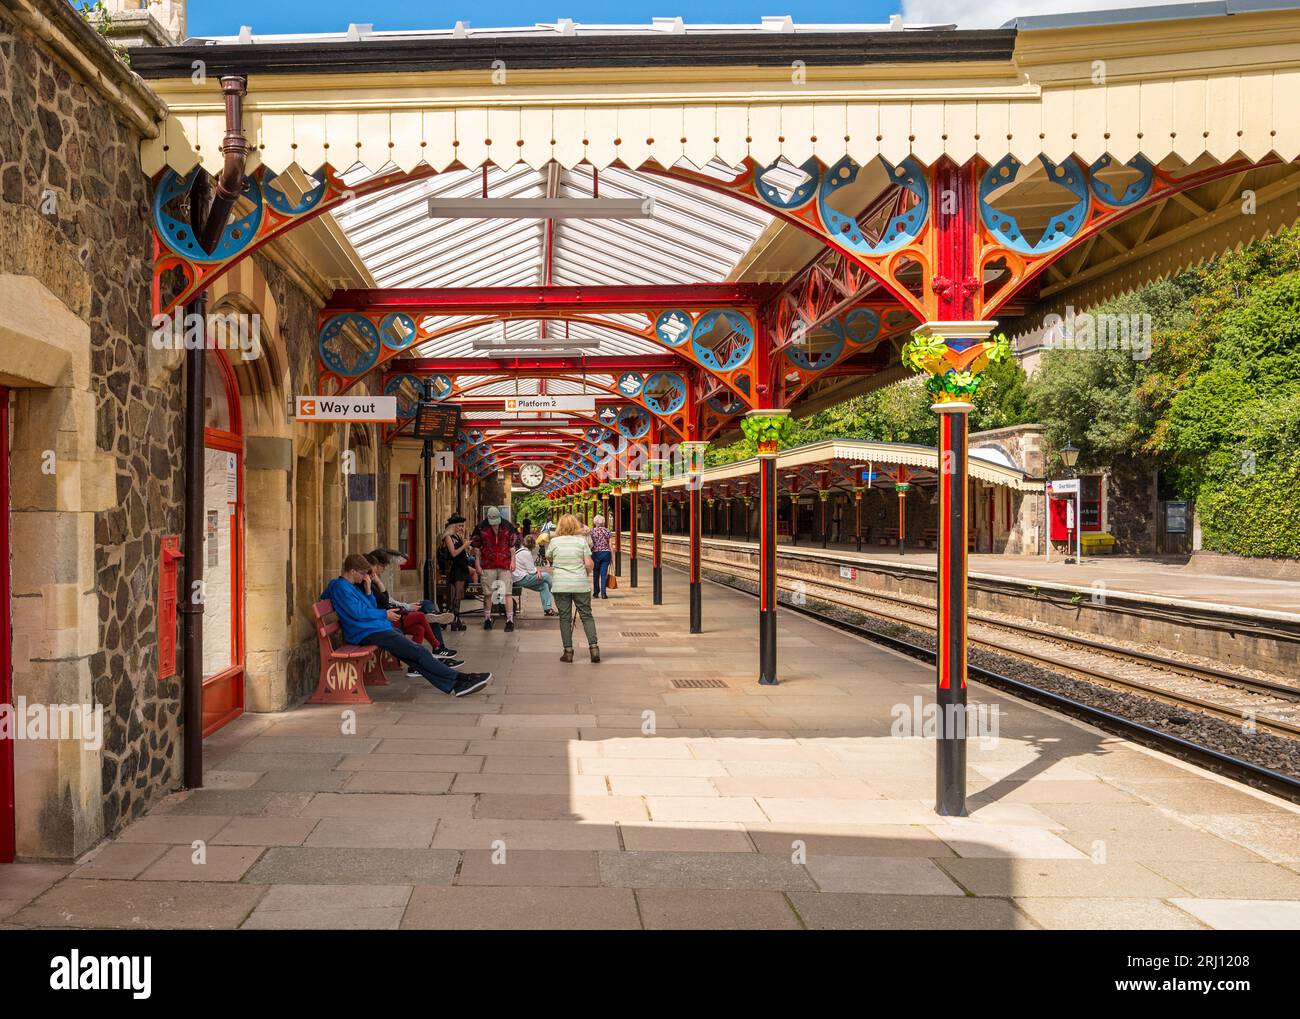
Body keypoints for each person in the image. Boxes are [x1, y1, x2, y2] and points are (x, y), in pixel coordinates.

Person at [323, 554, 491, 696]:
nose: (364, 577)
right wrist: (384, 614)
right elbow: (357, 612)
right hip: (365, 633)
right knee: (418, 652)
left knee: (415, 656)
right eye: (362, 574)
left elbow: (369, 607)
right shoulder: (341, 587)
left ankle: (456, 684)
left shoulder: (349, 586)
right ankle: (461, 680)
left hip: (375, 629)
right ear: (351, 571)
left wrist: (368, 591)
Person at [360, 555, 462, 666]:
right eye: (372, 572)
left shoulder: (372, 583)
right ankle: (437, 646)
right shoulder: (366, 585)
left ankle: (414, 665)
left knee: (420, 628)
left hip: (393, 613)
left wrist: (378, 582)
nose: (375, 574)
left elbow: (387, 600)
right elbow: (383, 603)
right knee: (421, 616)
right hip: (388, 618)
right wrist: (375, 585)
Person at [546, 514, 599, 663]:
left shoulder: (554, 542)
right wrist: (584, 573)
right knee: (587, 616)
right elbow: (589, 564)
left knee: (565, 618)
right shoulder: (581, 542)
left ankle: (568, 652)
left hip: (561, 585)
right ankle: (594, 649)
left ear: (560, 526)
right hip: (580, 584)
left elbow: (549, 558)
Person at [472, 505, 518, 632]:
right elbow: (476, 548)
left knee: (507, 592)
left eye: (496, 523)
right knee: (488, 593)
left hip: (505, 563)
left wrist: (513, 561)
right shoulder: (481, 527)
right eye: (492, 523)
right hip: (487, 564)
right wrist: (477, 563)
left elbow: (512, 547)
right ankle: (487, 619)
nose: (494, 525)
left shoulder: (508, 526)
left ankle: (509, 620)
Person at [441, 515, 473, 631]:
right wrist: (464, 545)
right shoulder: (448, 537)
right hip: (456, 569)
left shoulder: (458, 537)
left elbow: (463, 553)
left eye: (463, 526)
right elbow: (453, 553)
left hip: (462, 568)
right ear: (453, 526)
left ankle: (449, 619)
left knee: (459, 596)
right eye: (459, 526)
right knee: (457, 596)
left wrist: (465, 545)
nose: (461, 528)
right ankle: (455, 620)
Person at [513, 534, 558, 616]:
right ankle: (556, 593)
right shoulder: (526, 553)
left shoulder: (521, 551)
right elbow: (531, 571)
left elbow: (532, 569)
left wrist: (537, 571)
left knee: (544, 586)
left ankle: (548, 609)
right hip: (521, 578)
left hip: (518, 577)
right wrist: (537, 571)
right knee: (546, 576)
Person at [588, 514, 612, 598]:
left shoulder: (592, 531)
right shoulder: (607, 531)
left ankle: (596, 592)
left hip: (596, 554)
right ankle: (603, 593)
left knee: (596, 573)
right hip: (606, 553)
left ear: (595, 522)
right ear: (603, 522)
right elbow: (610, 544)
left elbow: (590, 543)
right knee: (603, 574)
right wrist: (612, 555)